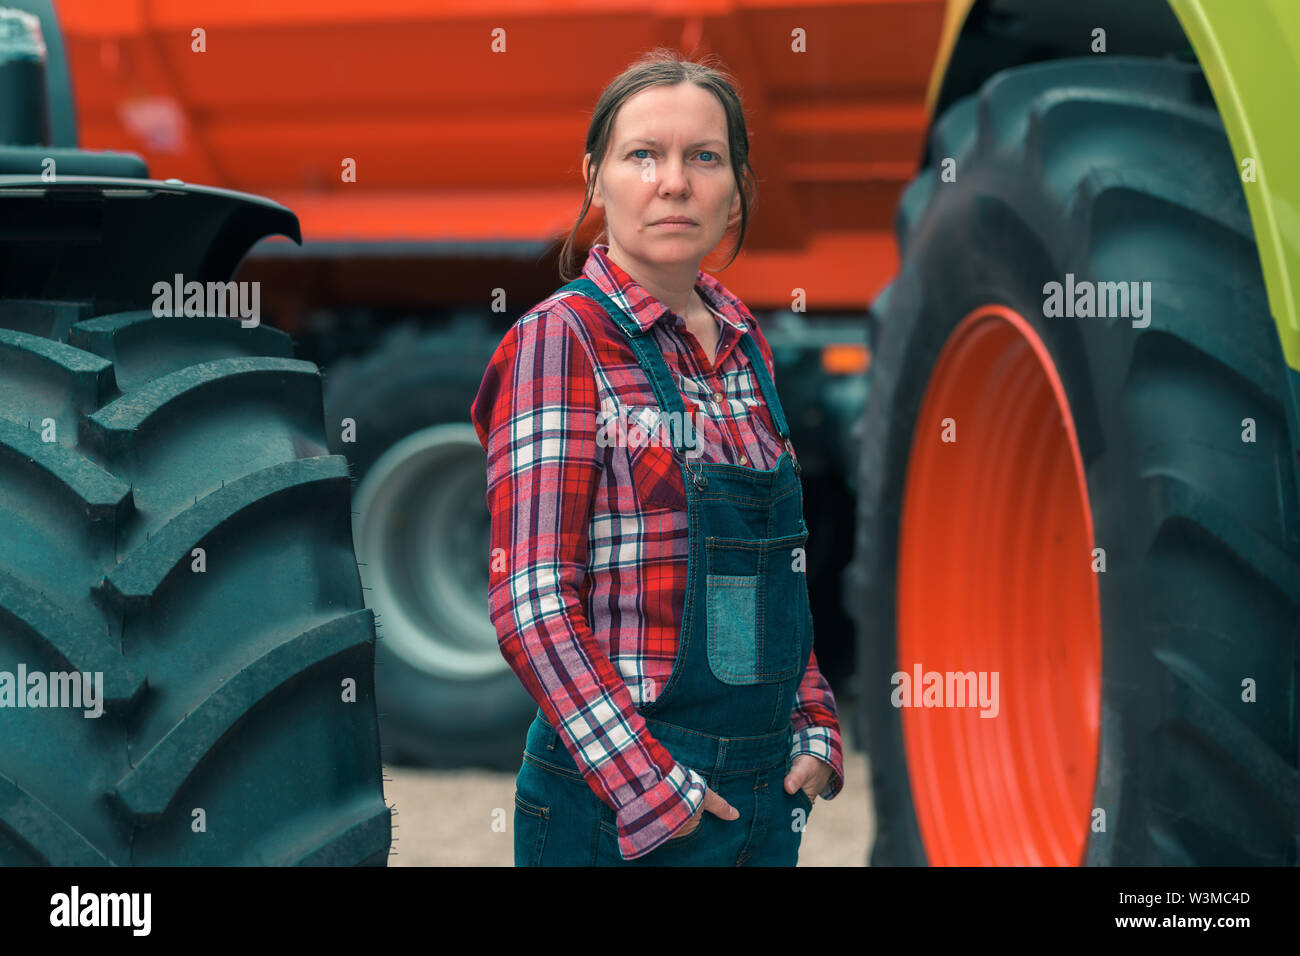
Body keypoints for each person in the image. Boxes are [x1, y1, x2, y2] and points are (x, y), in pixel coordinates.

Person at [470, 48, 844, 866]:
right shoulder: (560, 341)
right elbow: (531, 599)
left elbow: (768, 569)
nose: (674, 182)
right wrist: (651, 788)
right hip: (623, 811)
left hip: (761, 794)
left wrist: (812, 723)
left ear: (736, 186)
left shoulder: (747, 346)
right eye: (644, 155)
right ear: (597, 180)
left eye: (703, 157)